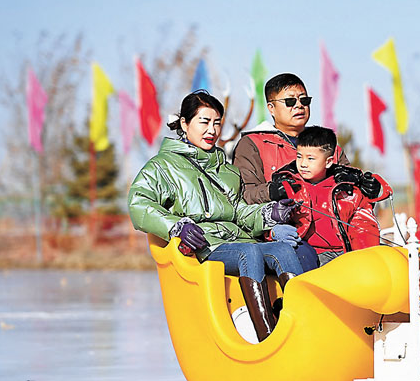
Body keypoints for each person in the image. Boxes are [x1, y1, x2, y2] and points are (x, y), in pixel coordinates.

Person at [128, 91, 319, 342]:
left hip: (240, 241)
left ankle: (306, 328)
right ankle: (269, 340)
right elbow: (138, 203)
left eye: (217, 122)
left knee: (284, 250)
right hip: (206, 246)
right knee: (248, 252)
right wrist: (177, 227)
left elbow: (240, 212)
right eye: (204, 122)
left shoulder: (226, 170)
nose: (212, 130)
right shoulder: (163, 166)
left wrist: (270, 213)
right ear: (185, 124)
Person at [233, 72, 382, 204]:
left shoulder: (326, 143)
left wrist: (366, 189)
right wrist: (272, 192)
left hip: (331, 228)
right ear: (271, 108)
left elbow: (352, 198)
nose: (299, 106)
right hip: (280, 231)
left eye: (304, 100)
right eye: (290, 101)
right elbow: (244, 194)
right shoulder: (252, 144)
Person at [274, 126, 391, 266]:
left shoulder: (346, 189)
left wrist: (365, 255)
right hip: (309, 253)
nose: (303, 164)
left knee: (385, 259)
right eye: (299, 156)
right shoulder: (290, 186)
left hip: (344, 251)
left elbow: (362, 224)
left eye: (310, 158)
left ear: (328, 161)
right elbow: (274, 220)